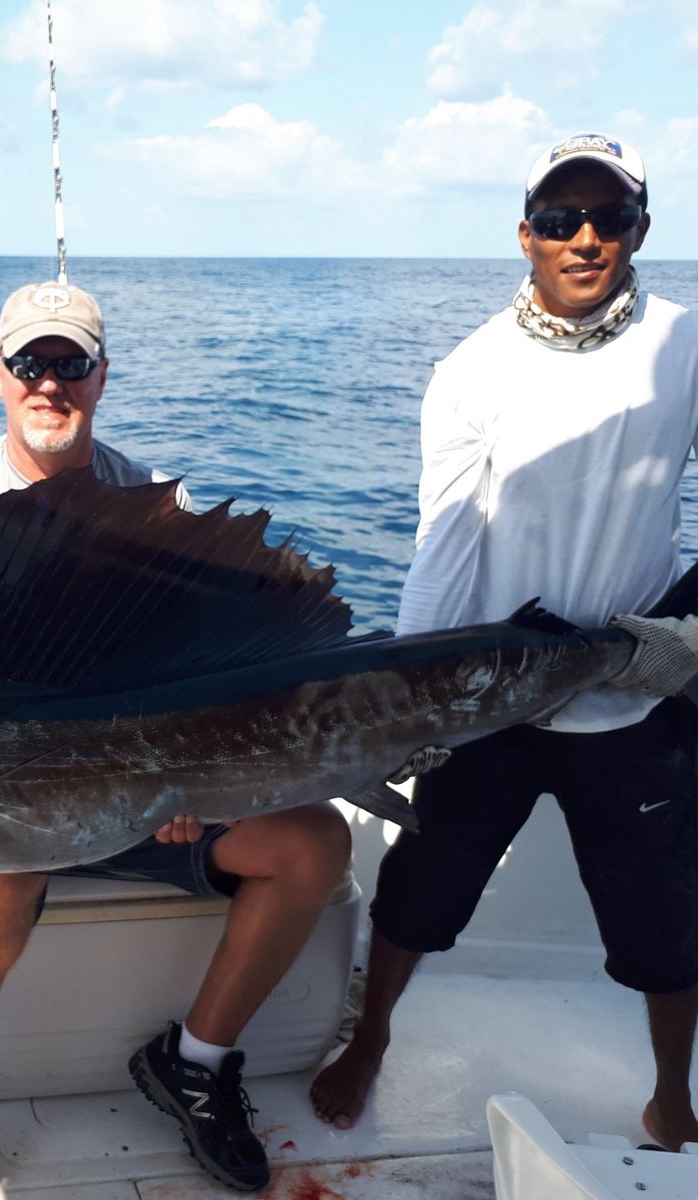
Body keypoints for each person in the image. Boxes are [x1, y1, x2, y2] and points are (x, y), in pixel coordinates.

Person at [0, 280, 352, 1197]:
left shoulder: (152, 515)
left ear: (102, 377)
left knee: (315, 842)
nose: (48, 384)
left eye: (71, 365)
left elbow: (196, 694)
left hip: (144, 798)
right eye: (30, 364)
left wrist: (184, 786)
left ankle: (196, 1059)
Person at [309, 131, 698, 1151]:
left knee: (664, 910)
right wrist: (410, 701)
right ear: (524, 235)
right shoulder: (473, 368)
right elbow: (443, 544)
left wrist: (686, 632)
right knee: (424, 884)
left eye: (608, 218)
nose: (585, 237)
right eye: (561, 218)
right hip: (491, 689)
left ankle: (671, 1090)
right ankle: (372, 1040)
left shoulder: (682, 344)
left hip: (634, 680)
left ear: (640, 230)